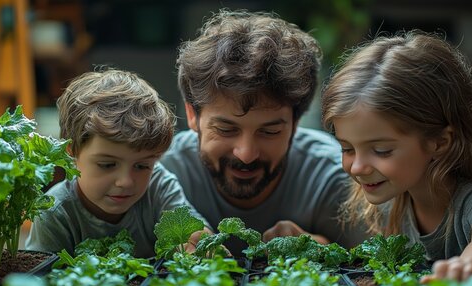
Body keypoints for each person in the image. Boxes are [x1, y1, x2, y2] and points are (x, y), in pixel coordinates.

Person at [321, 30, 472, 281]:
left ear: (439, 142)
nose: (357, 167)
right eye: (347, 148)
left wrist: (466, 267)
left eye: (381, 150)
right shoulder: (392, 198)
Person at [159, 9, 369, 256]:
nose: (246, 154)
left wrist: (324, 250)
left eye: (270, 131)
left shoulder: (338, 178)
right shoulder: (159, 173)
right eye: (226, 129)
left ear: (296, 122)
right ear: (193, 116)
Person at [26, 68, 209, 258]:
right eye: (107, 165)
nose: (126, 182)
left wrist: (196, 243)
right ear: (71, 151)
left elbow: (197, 232)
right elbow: (40, 281)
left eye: (142, 166)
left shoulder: (158, 185)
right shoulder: (55, 213)